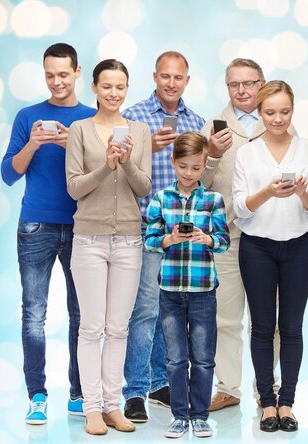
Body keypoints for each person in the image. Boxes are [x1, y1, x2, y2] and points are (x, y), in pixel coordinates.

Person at [0, 43, 96, 425]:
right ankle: (37, 395)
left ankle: (78, 392)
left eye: (63, 74)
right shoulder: (28, 117)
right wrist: (33, 143)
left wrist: (74, 141)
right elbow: (9, 173)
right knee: (34, 314)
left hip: (82, 226)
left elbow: (107, 173)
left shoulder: (91, 118)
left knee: (82, 314)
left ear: (76, 73)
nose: (57, 82)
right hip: (35, 225)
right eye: (50, 75)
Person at [66, 59, 152, 435]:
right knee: (91, 328)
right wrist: (106, 164)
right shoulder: (79, 130)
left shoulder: (140, 131)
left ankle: (114, 407)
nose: (113, 93)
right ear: (96, 89)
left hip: (130, 239)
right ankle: (92, 409)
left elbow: (143, 187)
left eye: (120, 87)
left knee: (119, 328)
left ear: (126, 89)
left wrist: (127, 162)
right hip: (88, 239)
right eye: (106, 86)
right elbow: (75, 187)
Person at [233, 80, 308, 433]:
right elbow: (240, 208)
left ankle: (287, 403)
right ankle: (266, 403)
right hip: (256, 246)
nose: (277, 118)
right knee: (261, 327)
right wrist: (267, 192)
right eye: (270, 112)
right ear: (259, 112)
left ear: (292, 110)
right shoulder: (247, 152)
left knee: (291, 327)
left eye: (284, 111)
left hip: (299, 245)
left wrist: (301, 193)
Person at [122, 51, 206, 423]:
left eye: (179, 78)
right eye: (165, 77)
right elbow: (119, 169)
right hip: (145, 225)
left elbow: (201, 176)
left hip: (182, 232)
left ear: (187, 80)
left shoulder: (196, 122)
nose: (172, 83)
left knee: (169, 310)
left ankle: (159, 382)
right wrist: (149, 146)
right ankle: (135, 391)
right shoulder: (134, 118)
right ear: (155, 76)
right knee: (144, 309)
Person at [200, 58, 285, 411]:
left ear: (262, 83)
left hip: (270, 238)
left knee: (269, 320)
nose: (242, 91)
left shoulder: (278, 123)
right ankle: (229, 388)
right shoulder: (212, 127)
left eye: (249, 83)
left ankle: (268, 388)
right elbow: (197, 185)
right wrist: (212, 156)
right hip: (229, 236)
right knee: (226, 317)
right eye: (234, 84)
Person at [145, 132, 230, 438]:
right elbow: (151, 239)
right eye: (183, 167)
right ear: (173, 163)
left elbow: (223, 242)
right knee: (175, 358)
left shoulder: (213, 201)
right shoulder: (160, 198)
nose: (189, 173)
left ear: (204, 165)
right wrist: (169, 239)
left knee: (204, 358)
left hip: (203, 291)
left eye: (196, 168)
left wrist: (206, 238)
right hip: (170, 291)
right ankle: (180, 416)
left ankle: (200, 415)